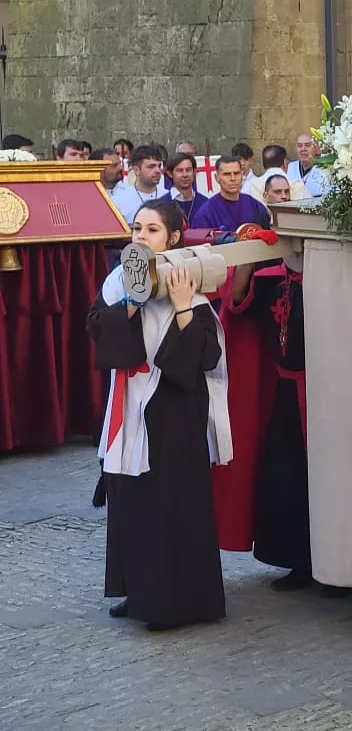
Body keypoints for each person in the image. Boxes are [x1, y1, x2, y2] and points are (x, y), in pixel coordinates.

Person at [87, 199, 231, 630]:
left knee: (171, 503)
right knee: (130, 499)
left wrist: (184, 307)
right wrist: (132, 301)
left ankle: (176, 602)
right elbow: (97, 328)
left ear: (172, 237)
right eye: (136, 228)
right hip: (129, 403)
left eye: (151, 230)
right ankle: (138, 591)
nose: (140, 237)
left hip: (173, 410)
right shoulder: (118, 282)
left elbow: (203, 357)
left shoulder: (190, 283)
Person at [219, 239, 312, 589]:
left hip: (327, 390)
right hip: (284, 392)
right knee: (286, 479)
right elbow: (238, 300)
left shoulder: (330, 279)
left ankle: (336, 564)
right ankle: (297, 562)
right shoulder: (272, 278)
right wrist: (248, 252)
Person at [195, 156, 271, 233]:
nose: (233, 178)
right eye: (227, 174)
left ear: (242, 175)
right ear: (217, 178)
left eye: (236, 173)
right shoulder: (206, 213)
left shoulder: (255, 206)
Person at [113, 144, 167, 225]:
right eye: (151, 167)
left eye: (159, 166)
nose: (158, 170)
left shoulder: (169, 197)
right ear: (136, 170)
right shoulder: (118, 201)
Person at [162, 151, 207, 227]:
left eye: (188, 170)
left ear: (194, 172)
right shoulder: (162, 204)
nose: (185, 175)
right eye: (179, 170)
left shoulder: (205, 203)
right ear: (170, 174)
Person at [288, 132, 328, 200]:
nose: (303, 149)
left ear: (317, 149)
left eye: (307, 145)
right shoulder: (291, 167)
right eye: (299, 146)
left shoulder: (326, 168)